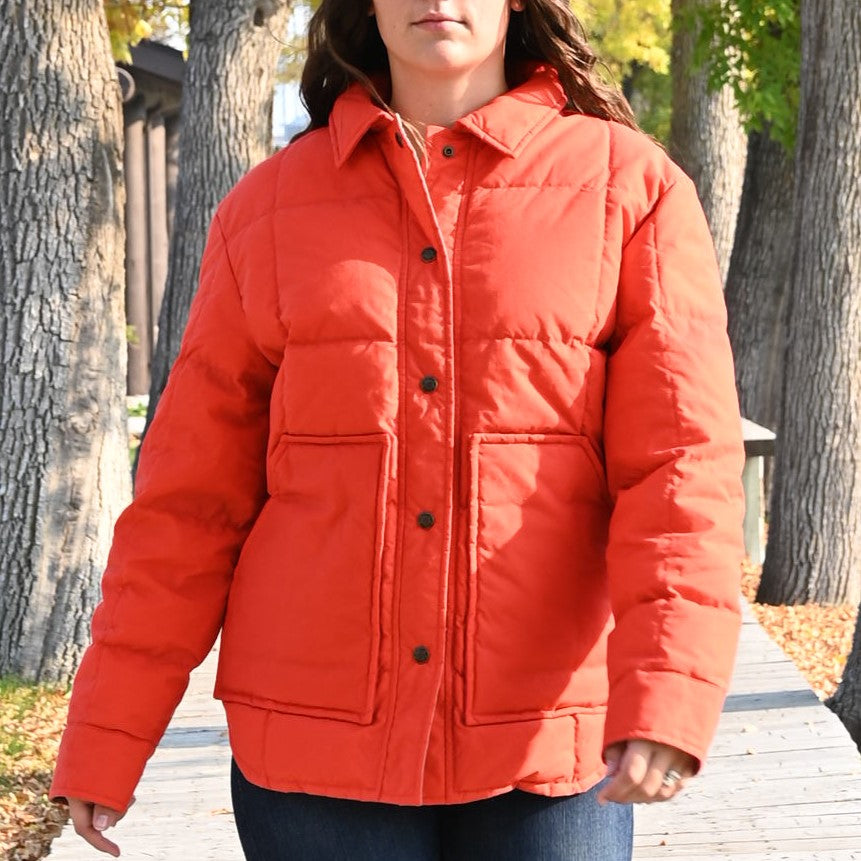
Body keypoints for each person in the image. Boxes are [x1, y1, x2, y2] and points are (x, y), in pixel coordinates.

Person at [50, 1, 748, 858]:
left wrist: (669, 691)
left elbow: (678, 470)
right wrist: (108, 731)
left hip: (545, 741)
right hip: (311, 751)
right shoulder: (265, 210)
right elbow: (188, 500)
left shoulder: (629, 191)